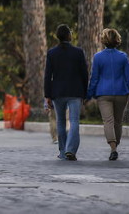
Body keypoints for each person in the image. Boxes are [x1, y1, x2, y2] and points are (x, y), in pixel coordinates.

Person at [87, 28, 129, 161]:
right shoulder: (123, 57)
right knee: (118, 121)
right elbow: (128, 78)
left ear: (104, 41)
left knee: (108, 121)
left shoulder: (98, 57)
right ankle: (115, 146)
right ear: (117, 40)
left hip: (103, 94)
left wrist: (89, 94)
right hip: (122, 93)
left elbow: (94, 78)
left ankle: (113, 148)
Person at [43, 24, 88, 161]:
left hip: (58, 92)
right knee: (74, 121)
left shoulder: (52, 53)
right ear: (69, 36)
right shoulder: (78, 52)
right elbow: (84, 74)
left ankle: (63, 151)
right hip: (75, 92)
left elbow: (47, 76)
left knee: (61, 122)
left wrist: (47, 95)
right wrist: (85, 93)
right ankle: (71, 150)